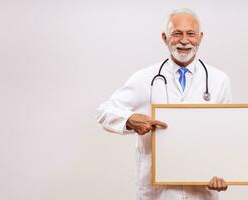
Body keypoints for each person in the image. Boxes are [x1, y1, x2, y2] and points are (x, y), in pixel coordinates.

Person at [96, 8, 231, 200]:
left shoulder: (219, 80)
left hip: (201, 191)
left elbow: (224, 136)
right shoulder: (145, 78)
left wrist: (223, 172)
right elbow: (104, 111)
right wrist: (129, 119)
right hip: (158, 193)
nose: (184, 40)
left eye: (190, 34)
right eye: (177, 34)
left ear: (200, 37)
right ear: (165, 37)